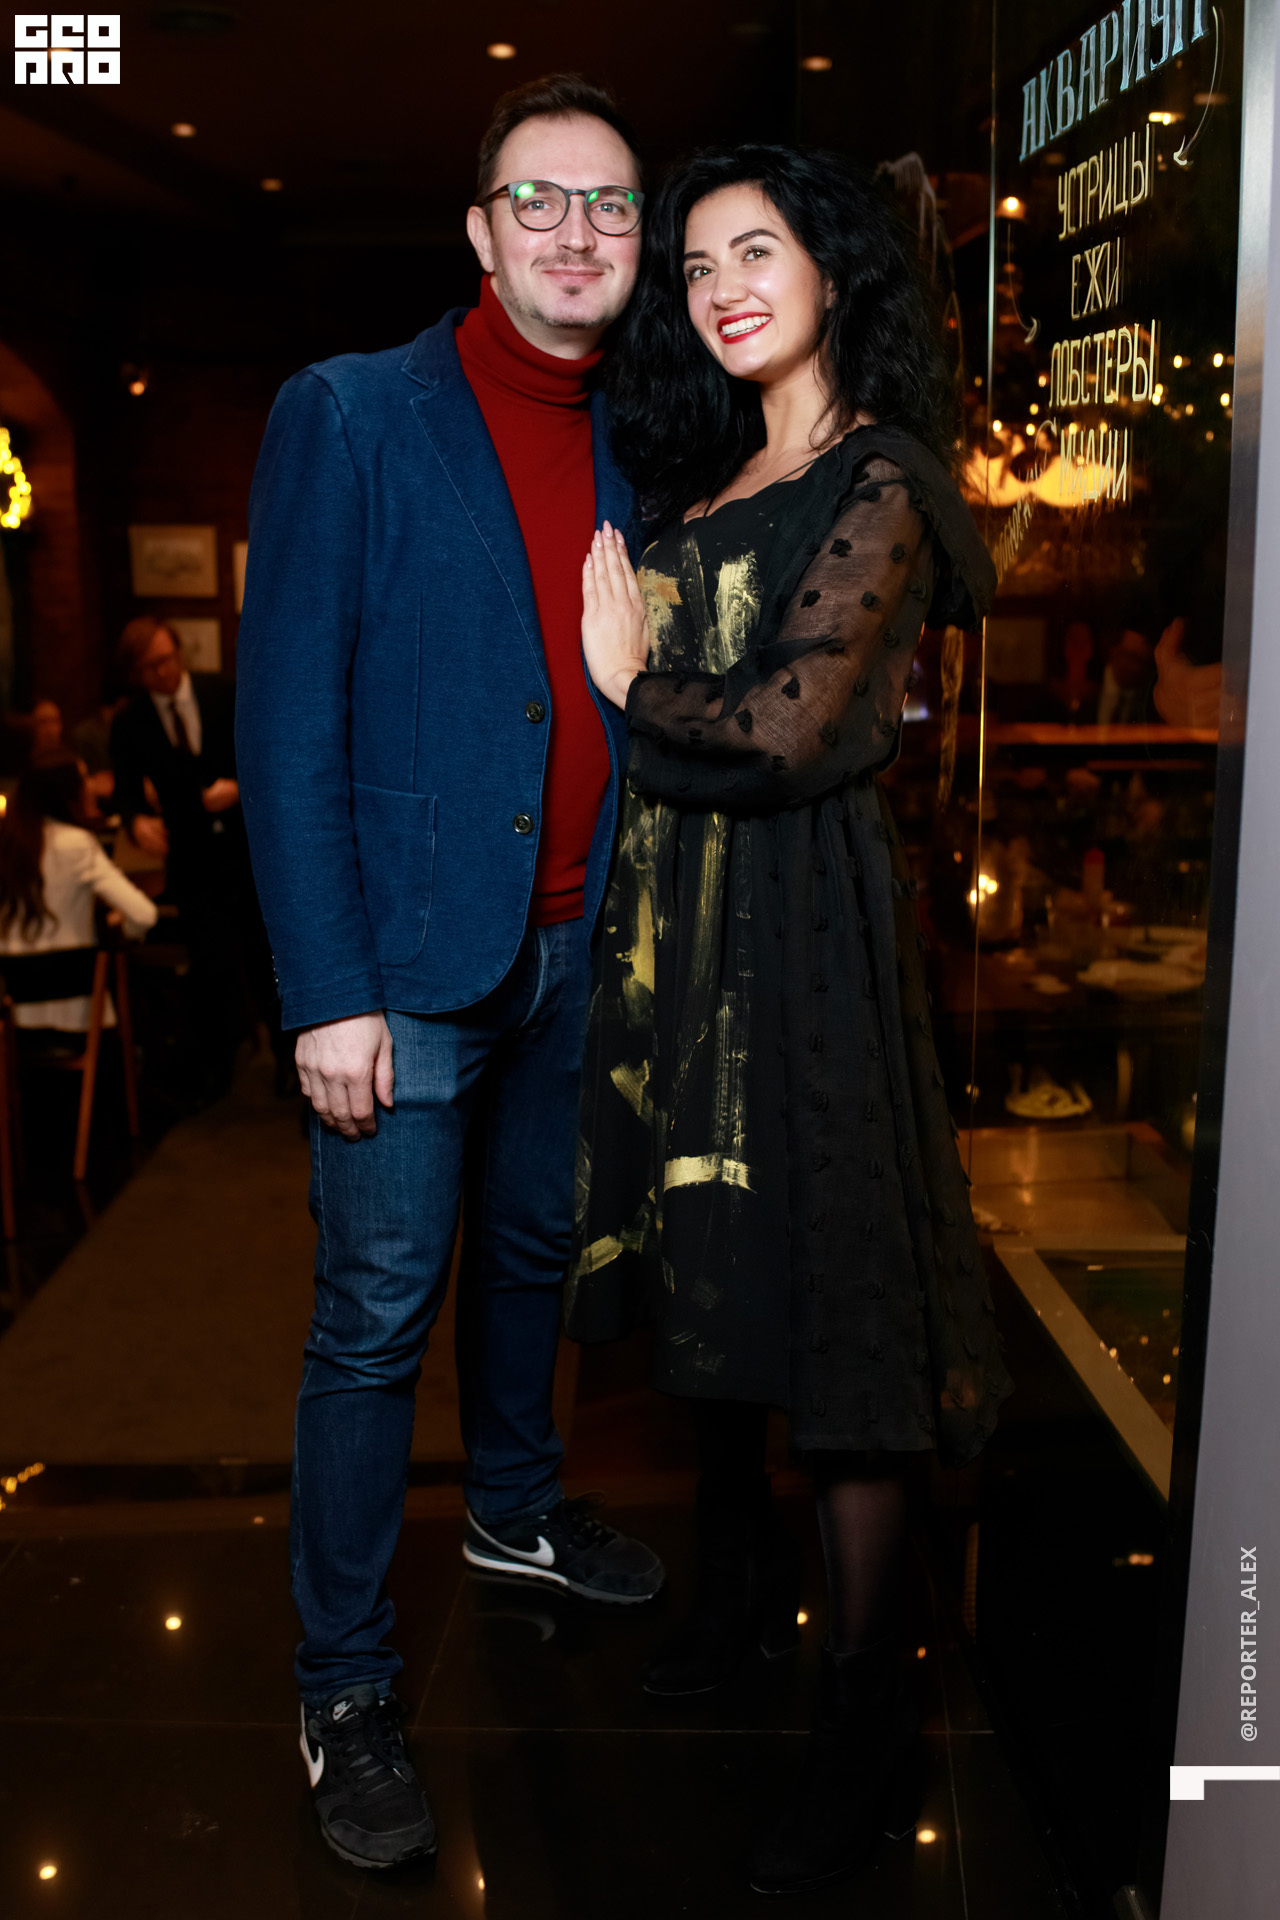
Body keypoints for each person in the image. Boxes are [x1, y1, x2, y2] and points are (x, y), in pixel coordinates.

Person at [570, 144, 1013, 1896]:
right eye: (695, 267)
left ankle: (868, 1711)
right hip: (686, 931)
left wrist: (631, 682)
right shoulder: (712, 477)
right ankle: (744, 1587)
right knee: (719, 1258)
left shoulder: (881, 474)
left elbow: (794, 725)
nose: (722, 289)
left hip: (805, 925)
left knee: (836, 1309)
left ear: (834, 269)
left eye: (755, 252)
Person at [235, 74, 664, 1873]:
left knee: (532, 1257)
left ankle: (512, 1509)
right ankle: (342, 1684)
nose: (577, 231)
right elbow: (286, 720)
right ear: (481, 231)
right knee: (375, 1315)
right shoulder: (349, 413)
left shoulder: (645, 427)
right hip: (400, 968)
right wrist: (325, 992)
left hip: (574, 942)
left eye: (610, 204)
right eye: (539, 199)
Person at [109, 616, 282, 1100]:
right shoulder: (130, 722)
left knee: (266, 959)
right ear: (138, 674)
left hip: (249, 853)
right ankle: (217, 1068)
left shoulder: (223, 693)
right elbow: (125, 792)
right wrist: (135, 821)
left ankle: (288, 1061)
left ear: (179, 653)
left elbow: (268, 756)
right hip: (192, 860)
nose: (163, 672)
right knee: (210, 967)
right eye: (150, 667)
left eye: (167, 660)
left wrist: (239, 788)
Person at [0, 747, 157, 1030]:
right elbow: (144, 915)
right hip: (78, 1015)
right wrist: (121, 927)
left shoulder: (8, 845)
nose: (91, 786)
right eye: (84, 778)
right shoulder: (76, 844)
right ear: (67, 790)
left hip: (14, 1018)